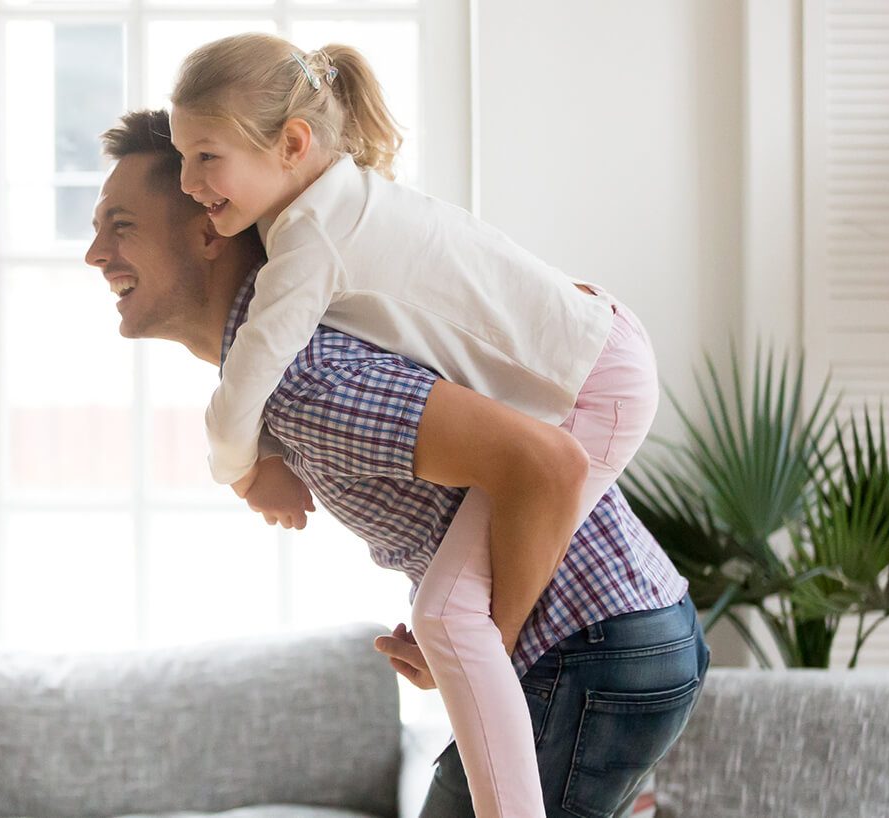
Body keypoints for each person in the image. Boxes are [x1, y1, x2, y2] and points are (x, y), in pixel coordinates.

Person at [85, 108, 707, 818]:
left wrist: (486, 640)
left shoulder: (304, 375)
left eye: (121, 224)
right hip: (611, 637)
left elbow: (546, 465)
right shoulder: (281, 357)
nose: (94, 252)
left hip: (590, 646)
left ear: (207, 230)